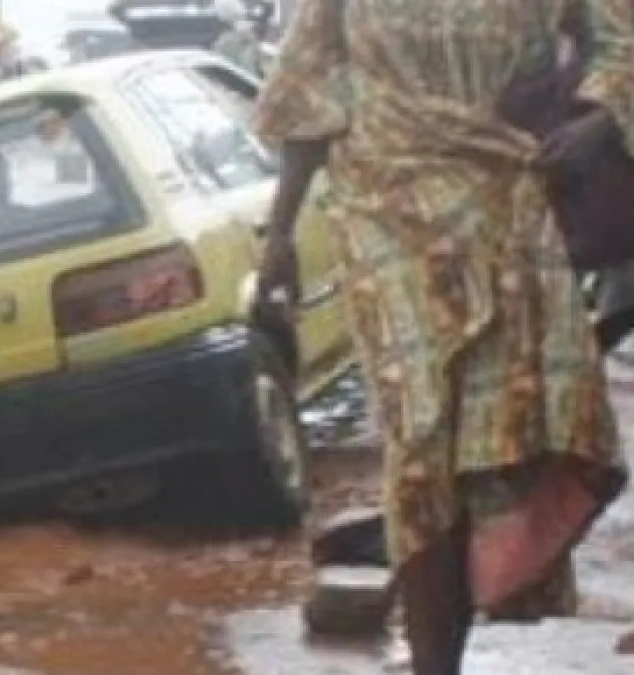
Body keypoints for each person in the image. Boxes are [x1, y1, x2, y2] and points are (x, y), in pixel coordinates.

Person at [251, 1, 631, 673]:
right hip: (383, 213)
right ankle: (435, 662)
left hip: (506, 204)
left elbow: (620, 39)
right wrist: (278, 235)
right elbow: (308, 86)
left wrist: (598, 122)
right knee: (421, 440)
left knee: (508, 436)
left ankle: (474, 601)